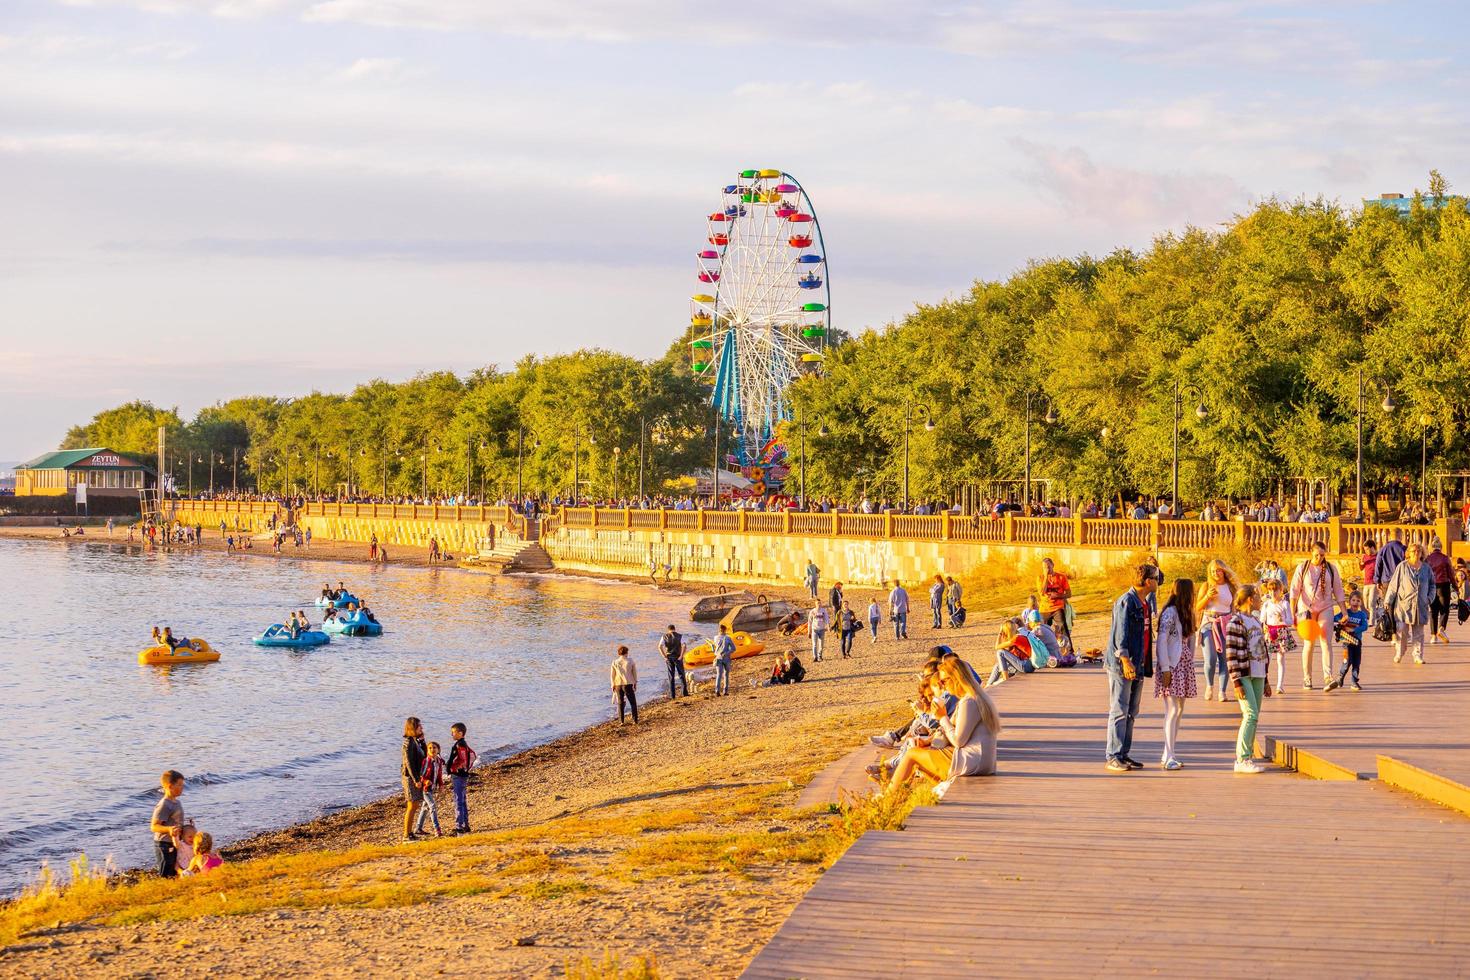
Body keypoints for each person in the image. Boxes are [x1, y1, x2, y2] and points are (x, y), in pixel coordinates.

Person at [883, 655, 1000, 792]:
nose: (942, 686)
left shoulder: (969, 701)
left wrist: (942, 717)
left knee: (911, 754)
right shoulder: (976, 697)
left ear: (956, 679)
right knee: (921, 756)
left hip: (973, 762)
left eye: (944, 681)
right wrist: (928, 741)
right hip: (983, 761)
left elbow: (958, 741)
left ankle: (889, 798)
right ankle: (909, 794)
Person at [1104, 563, 1159, 773]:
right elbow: (1120, 636)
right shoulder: (1126, 602)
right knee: (1119, 710)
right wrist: (1125, 661)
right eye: (1155, 578)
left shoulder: (1144, 603)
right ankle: (1113, 755)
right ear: (1147, 581)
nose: (1157, 581)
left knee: (1131, 711)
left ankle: (1123, 753)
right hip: (1122, 665)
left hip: (1138, 662)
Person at [1225, 584, 1270, 774]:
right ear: (1250, 599)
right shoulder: (1235, 622)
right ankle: (1242, 759)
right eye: (1258, 597)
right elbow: (1231, 653)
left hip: (1258, 672)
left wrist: (1266, 679)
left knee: (1255, 716)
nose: (1261, 600)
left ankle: (1249, 756)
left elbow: (1261, 648)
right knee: (1250, 714)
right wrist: (1236, 682)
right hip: (1244, 673)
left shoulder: (1256, 621)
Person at [1154, 577, 1198, 771]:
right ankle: (1169, 755)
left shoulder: (1186, 612)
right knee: (1171, 710)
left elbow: (1190, 637)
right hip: (1172, 665)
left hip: (1184, 664)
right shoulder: (1170, 613)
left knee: (1179, 710)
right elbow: (1161, 641)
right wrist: (1165, 668)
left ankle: (1168, 752)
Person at [1289, 541, 1345, 690]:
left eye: (1322, 555)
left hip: (1325, 607)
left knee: (1326, 641)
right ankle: (1307, 678)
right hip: (1306, 609)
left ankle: (1328, 676)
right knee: (1309, 643)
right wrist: (1292, 613)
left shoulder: (1331, 569)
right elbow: (1294, 591)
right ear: (1311, 553)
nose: (1319, 558)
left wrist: (1344, 611)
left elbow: (1338, 591)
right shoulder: (1303, 567)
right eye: (1316, 555)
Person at [1194, 559, 1239, 701]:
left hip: (1225, 623)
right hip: (1208, 623)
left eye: (1218, 570)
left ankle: (1222, 691)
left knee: (1224, 659)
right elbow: (1198, 607)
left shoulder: (1230, 587)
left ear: (1224, 571)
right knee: (1211, 658)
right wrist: (1207, 597)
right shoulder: (1206, 586)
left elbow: (1234, 607)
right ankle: (1209, 686)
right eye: (1213, 571)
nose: (1216, 573)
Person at [1385, 542, 1435, 666]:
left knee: (1418, 633)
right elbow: (1393, 585)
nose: (1416, 553)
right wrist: (1388, 600)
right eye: (1413, 551)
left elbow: (1433, 585)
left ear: (1422, 553)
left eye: (1418, 551)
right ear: (1409, 553)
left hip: (1420, 605)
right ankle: (1400, 652)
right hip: (1404, 605)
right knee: (1401, 630)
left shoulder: (1426, 568)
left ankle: (1417, 655)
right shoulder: (1402, 567)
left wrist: (1429, 598)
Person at [1327, 593, 1370, 692]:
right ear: (1349, 601)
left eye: (1358, 601)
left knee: (1356, 662)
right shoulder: (1345, 613)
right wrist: (1340, 620)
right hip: (1346, 642)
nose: (1355, 602)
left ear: (1361, 602)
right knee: (1347, 661)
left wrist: (1354, 630)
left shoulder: (1361, 614)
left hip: (1357, 642)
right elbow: (1334, 618)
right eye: (1353, 600)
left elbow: (1365, 626)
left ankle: (1354, 682)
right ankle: (1340, 677)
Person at [1259, 578, 1295, 696]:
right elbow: (1262, 618)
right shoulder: (1266, 604)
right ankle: (1265, 682)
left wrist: (1282, 619)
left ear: (1281, 590)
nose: (1272, 593)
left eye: (1275, 590)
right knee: (1266, 659)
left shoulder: (1284, 604)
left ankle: (1280, 685)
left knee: (1280, 659)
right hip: (1270, 632)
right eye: (1270, 590)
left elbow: (1290, 621)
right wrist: (1263, 625)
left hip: (1281, 632)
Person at [149, 770, 188, 877]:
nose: (182, 787)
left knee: (175, 868)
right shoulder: (164, 804)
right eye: (179, 785)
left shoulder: (177, 802)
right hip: (164, 843)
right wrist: (169, 829)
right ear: (170, 786)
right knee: (166, 870)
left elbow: (176, 821)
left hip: (175, 841)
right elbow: (154, 826)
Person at [446, 722, 477, 835]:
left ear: (460, 733)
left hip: (459, 775)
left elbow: (463, 759)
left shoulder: (460, 745)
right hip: (461, 775)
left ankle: (459, 826)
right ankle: (465, 824)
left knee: (459, 800)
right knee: (462, 800)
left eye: (453, 732)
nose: (452, 735)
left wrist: (455, 768)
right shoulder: (462, 744)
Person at [401, 717, 427, 841]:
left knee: (415, 804)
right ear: (413, 728)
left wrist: (423, 742)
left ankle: (409, 832)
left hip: (415, 776)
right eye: (419, 727)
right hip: (410, 778)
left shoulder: (415, 741)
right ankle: (407, 834)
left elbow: (425, 756)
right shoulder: (408, 743)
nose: (421, 728)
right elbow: (409, 763)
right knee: (412, 805)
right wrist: (416, 779)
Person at [1038, 557, 1073, 644]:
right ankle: (1045, 651)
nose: (1047, 569)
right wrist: (1046, 577)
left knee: (1063, 628)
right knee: (1042, 631)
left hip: (1058, 608)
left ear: (1053, 565)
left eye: (1048, 567)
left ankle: (1069, 651)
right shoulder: (1040, 578)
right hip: (1045, 609)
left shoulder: (1061, 577)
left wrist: (1059, 596)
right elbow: (1042, 592)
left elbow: (1069, 594)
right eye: (1044, 568)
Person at [1426, 540, 1454, 644]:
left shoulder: (1427, 559)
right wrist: (1455, 586)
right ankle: (1441, 629)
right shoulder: (1445, 558)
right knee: (1444, 609)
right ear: (1441, 547)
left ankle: (1433, 636)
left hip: (1431, 586)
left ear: (1431, 547)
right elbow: (1451, 573)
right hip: (1444, 585)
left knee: (1433, 611)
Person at [416, 741, 447, 836]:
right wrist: (425, 781)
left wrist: (441, 785)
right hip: (425, 789)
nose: (432, 749)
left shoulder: (438, 761)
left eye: (434, 748)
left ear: (438, 750)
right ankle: (437, 829)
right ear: (427, 750)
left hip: (432, 788)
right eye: (430, 748)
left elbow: (439, 775)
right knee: (432, 806)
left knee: (425, 808)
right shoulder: (426, 761)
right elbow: (421, 775)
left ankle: (418, 828)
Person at [1374, 529, 1407, 600]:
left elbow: (1378, 565)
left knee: (1387, 604)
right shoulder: (1404, 549)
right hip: (1400, 581)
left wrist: (1377, 580)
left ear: (1390, 536)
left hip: (1386, 580)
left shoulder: (1383, 549)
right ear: (1401, 536)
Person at [659, 625, 689, 699]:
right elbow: (684, 646)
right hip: (678, 657)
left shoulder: (664, 636)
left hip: (669, 658)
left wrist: (664, 656)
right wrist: (681, 656)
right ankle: (684, 693)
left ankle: (673, 696)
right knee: (681, 675)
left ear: (668, 630)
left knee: (671, 676)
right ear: (674, 629)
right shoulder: (680, 636)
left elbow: (659, 646)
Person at [1359, 540, 1379, 626]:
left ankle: (1372, 621)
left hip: (1374, 583)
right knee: (1366, 604)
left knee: (1371, 602)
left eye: (1367, 549)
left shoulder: (1378, 556)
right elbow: (1361, 568)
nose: (1366, 551)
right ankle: (1377, 614)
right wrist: (1360, 562)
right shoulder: (1365, 557)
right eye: (1365, 550)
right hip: (1366, 583)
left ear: (1372, 547)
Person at [712, 625, 735, 696]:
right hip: (726, 658)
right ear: (725, 630)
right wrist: (726, 653)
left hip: (718, 658)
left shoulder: (715, 638)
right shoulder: (728, 638)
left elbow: (714, 650)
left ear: (719, 630)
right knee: (726, 675)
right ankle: (725, 691)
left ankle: (717, 691)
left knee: (719, 675)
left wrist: (712, 647)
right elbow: (733, 649)